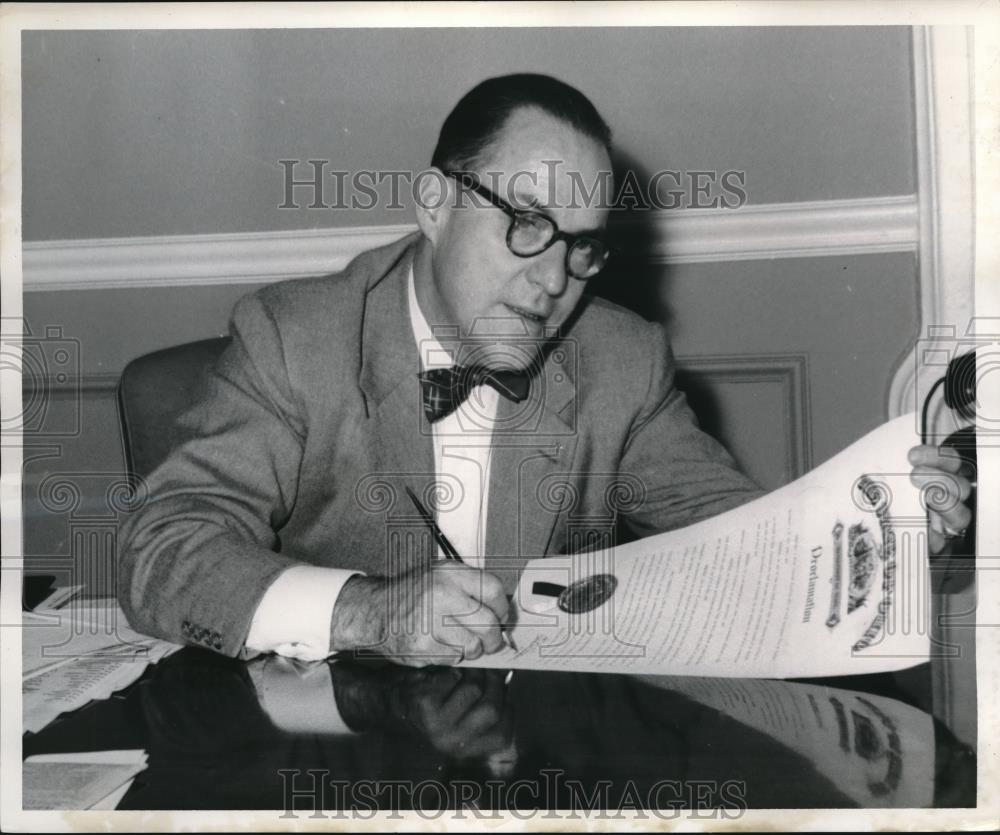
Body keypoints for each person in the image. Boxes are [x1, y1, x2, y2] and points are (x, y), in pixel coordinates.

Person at [117, 73, 973, 668]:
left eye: (582, 244)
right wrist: (365, 611)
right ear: (435, 203)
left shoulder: (622, 359)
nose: (554, 278)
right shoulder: (292, 336)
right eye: (526, 222)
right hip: (326, 752)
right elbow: (164, 550)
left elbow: (739, 541)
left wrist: (882, 532)